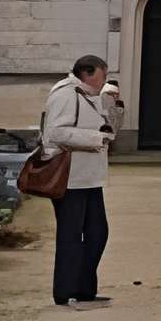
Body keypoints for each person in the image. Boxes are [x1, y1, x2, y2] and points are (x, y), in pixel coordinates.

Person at [41, 54, 119, 307]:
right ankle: (65, 291)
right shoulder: (65, 94)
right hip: (70, 177)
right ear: (87, 73)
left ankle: (84, 289)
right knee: (71, 236)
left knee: (97, 233)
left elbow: (109, 128)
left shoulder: (91, 95)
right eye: (102, 76)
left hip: (89, 176)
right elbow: (55, 132)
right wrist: (95, 138)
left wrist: (115, 106)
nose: (104, 81)